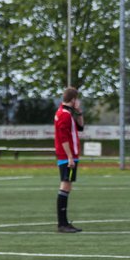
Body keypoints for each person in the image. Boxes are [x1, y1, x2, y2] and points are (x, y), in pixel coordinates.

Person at [54, 86, 86, 233]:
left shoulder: (67, 113)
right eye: (76, 99)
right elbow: (63, 138)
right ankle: (62, 224)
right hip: (67, 156)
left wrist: (79, 112)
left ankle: (64, 222)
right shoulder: (64, 115)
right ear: (73, 99)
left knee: (68, 186)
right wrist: (69, 157)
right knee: (65, 185)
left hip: (70, 155)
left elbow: (81, 127)